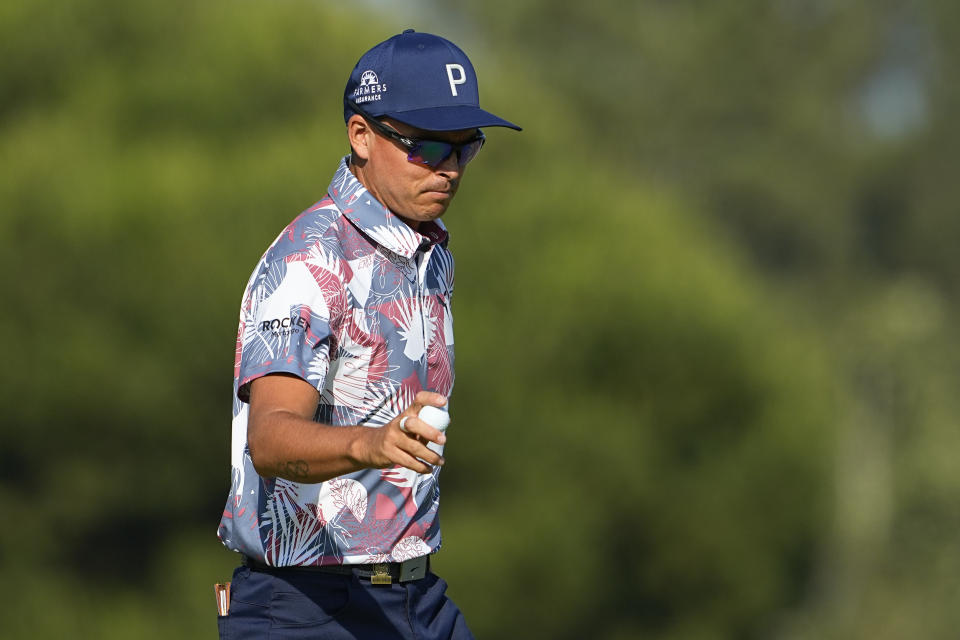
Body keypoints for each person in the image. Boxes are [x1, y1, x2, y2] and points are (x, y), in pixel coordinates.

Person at [215, 29, 520, 639]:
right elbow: (270, 440)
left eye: (465, 147)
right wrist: (368, 445)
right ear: (360, 135)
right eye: (426, 145)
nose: (449, 168)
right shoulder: (309, 259)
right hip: (304, 607)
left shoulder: (425, 251)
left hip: (415, 599)